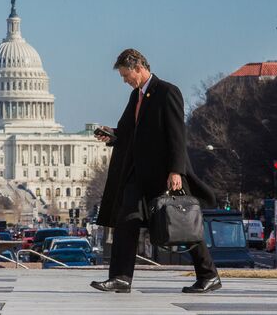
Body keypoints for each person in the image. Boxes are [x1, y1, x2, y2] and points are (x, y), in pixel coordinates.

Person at [90, 48, 221, 294]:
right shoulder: (135, 97)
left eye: (125, 75)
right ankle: (120, 277)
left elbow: (176, 135)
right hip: (137, 175)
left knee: (180, 223)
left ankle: (208, 274)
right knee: (125, 220)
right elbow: (129, 132)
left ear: (139, 68)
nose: (124, 80)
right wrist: (111, 135)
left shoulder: (167, 92)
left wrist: (176, 171)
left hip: (163, 175)